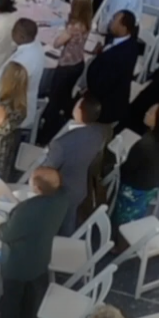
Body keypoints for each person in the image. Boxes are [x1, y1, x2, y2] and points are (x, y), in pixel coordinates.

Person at [0, 167, 73, 318]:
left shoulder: (28, 209)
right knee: (31, 297)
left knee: (12, 300)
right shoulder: (63, 197)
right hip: (41, 255)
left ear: (37, 188)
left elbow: (6, 235)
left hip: (18, 264)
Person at [42, 94, 105, 235]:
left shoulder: (61, 144)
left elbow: (48, 169)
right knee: (69, 220)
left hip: (61, 191)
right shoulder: (98, 134)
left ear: (80, 112)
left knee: (55, 225)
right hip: (80, 186)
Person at [37, 0, 94, 142]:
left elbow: (57, 43)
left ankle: (46, 133)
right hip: (78, 62)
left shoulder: (74, 26)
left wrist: (63, 32)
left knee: (55, 98)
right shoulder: (87, 22)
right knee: (64, 96)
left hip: (66, 66)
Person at [115, 104, 159, 225]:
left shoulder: (144, 145)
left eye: (151, 113)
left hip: (136, 187)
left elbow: (127, 169)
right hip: (152, 186)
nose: (146, 112)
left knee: (123, 218)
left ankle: (118, 235)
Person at [84, 10, 144, 132]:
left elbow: (100, 86)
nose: (111, 22)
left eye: (114, 20)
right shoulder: (128, 42)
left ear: (123, 27)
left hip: (105, 107)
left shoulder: (119, 56)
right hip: (114, 94)